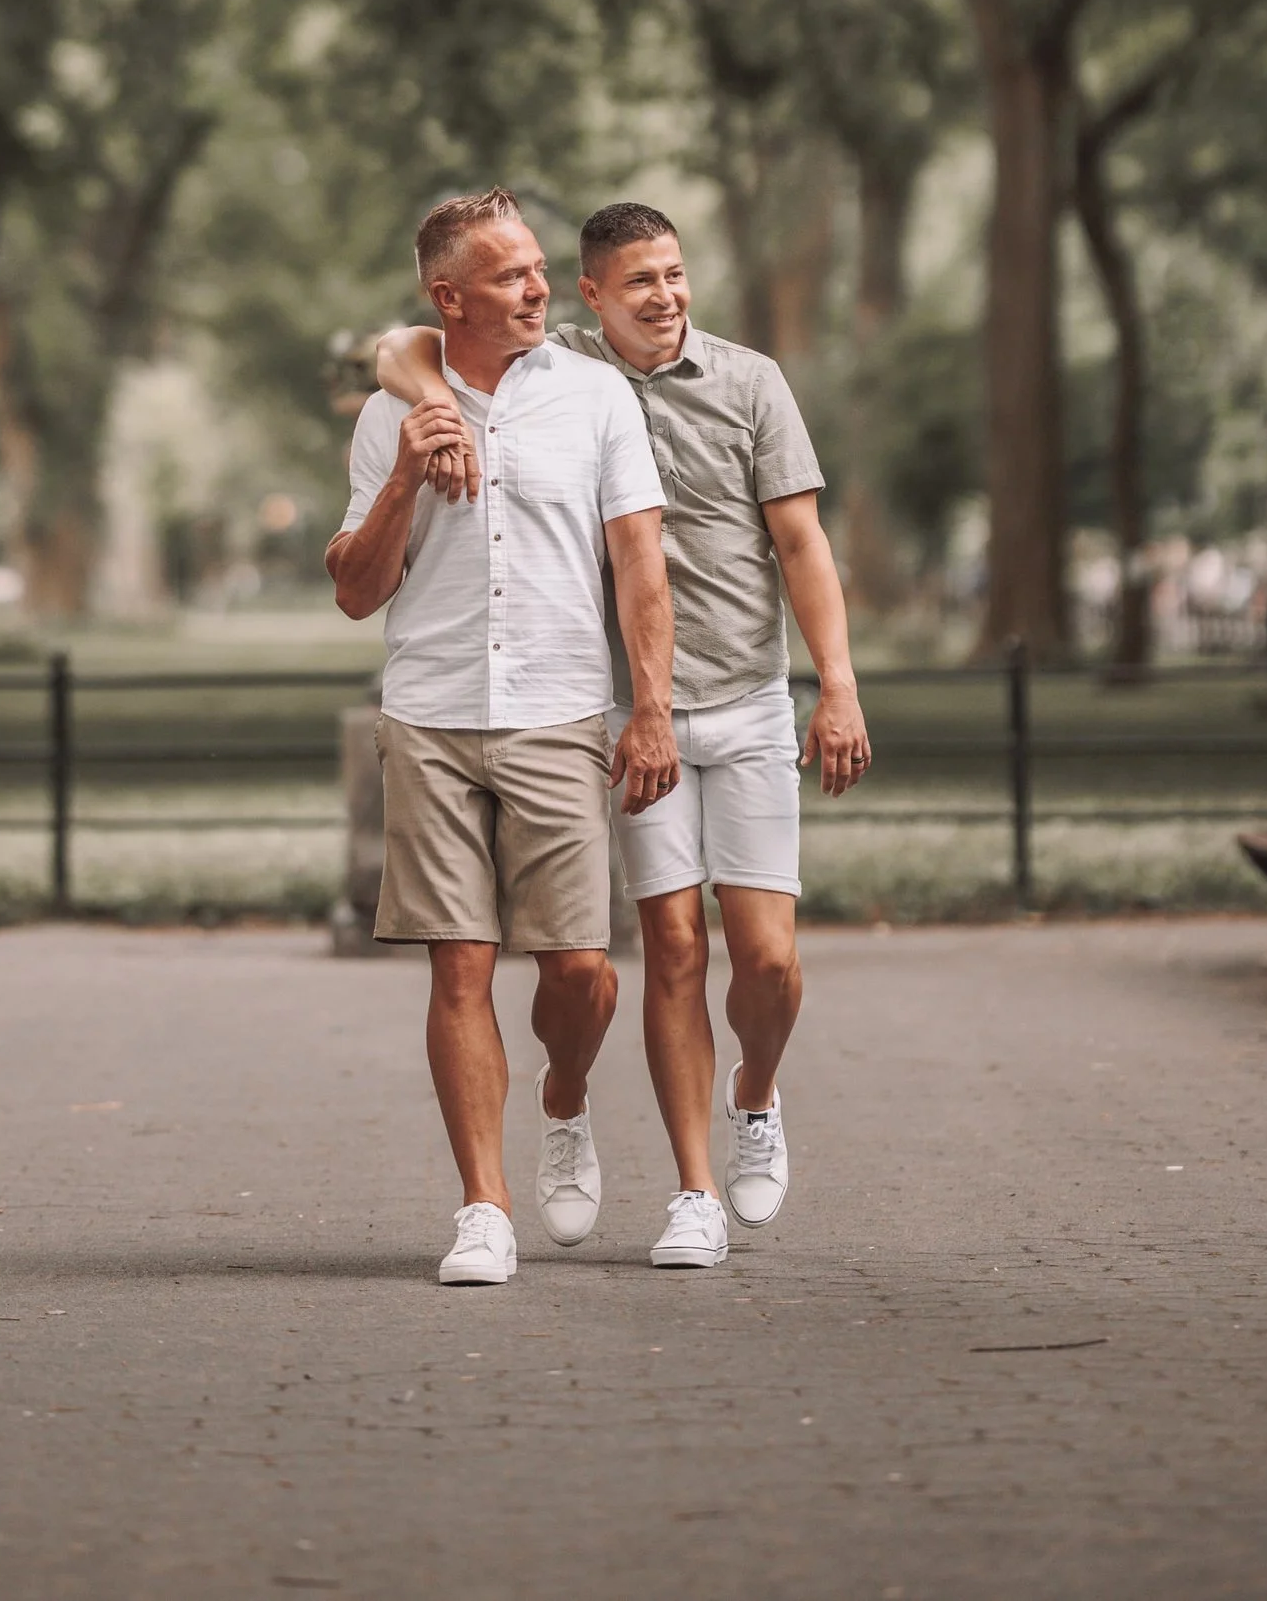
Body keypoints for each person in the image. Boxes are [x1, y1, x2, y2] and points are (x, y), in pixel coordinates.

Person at [375, 198, 871, 1271]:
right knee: (673, 949)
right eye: (638, 279)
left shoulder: (739, 382)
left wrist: (836, 684)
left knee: (768, 961)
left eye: (676, 273)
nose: (665, 294)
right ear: (597, 298)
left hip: (741, 695)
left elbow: (800, 541)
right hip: (611, 713)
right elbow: (401, 344)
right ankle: (690, 1187)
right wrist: (423, 406)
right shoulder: (559, 366)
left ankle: (756, 1092)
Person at [328, 187, 679, 1288]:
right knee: (461, 966)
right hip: (429, 715)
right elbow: (354, 591)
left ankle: (563, 1095)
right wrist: (403, 469)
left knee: (579, 969)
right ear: (450, 296)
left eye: (537, 266)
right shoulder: (393, 407)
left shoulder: (593, 396)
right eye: (513, 272)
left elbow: (638, 564)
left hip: (557, 709)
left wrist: (651, 705)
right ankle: (483, 1205)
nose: (538, 284)